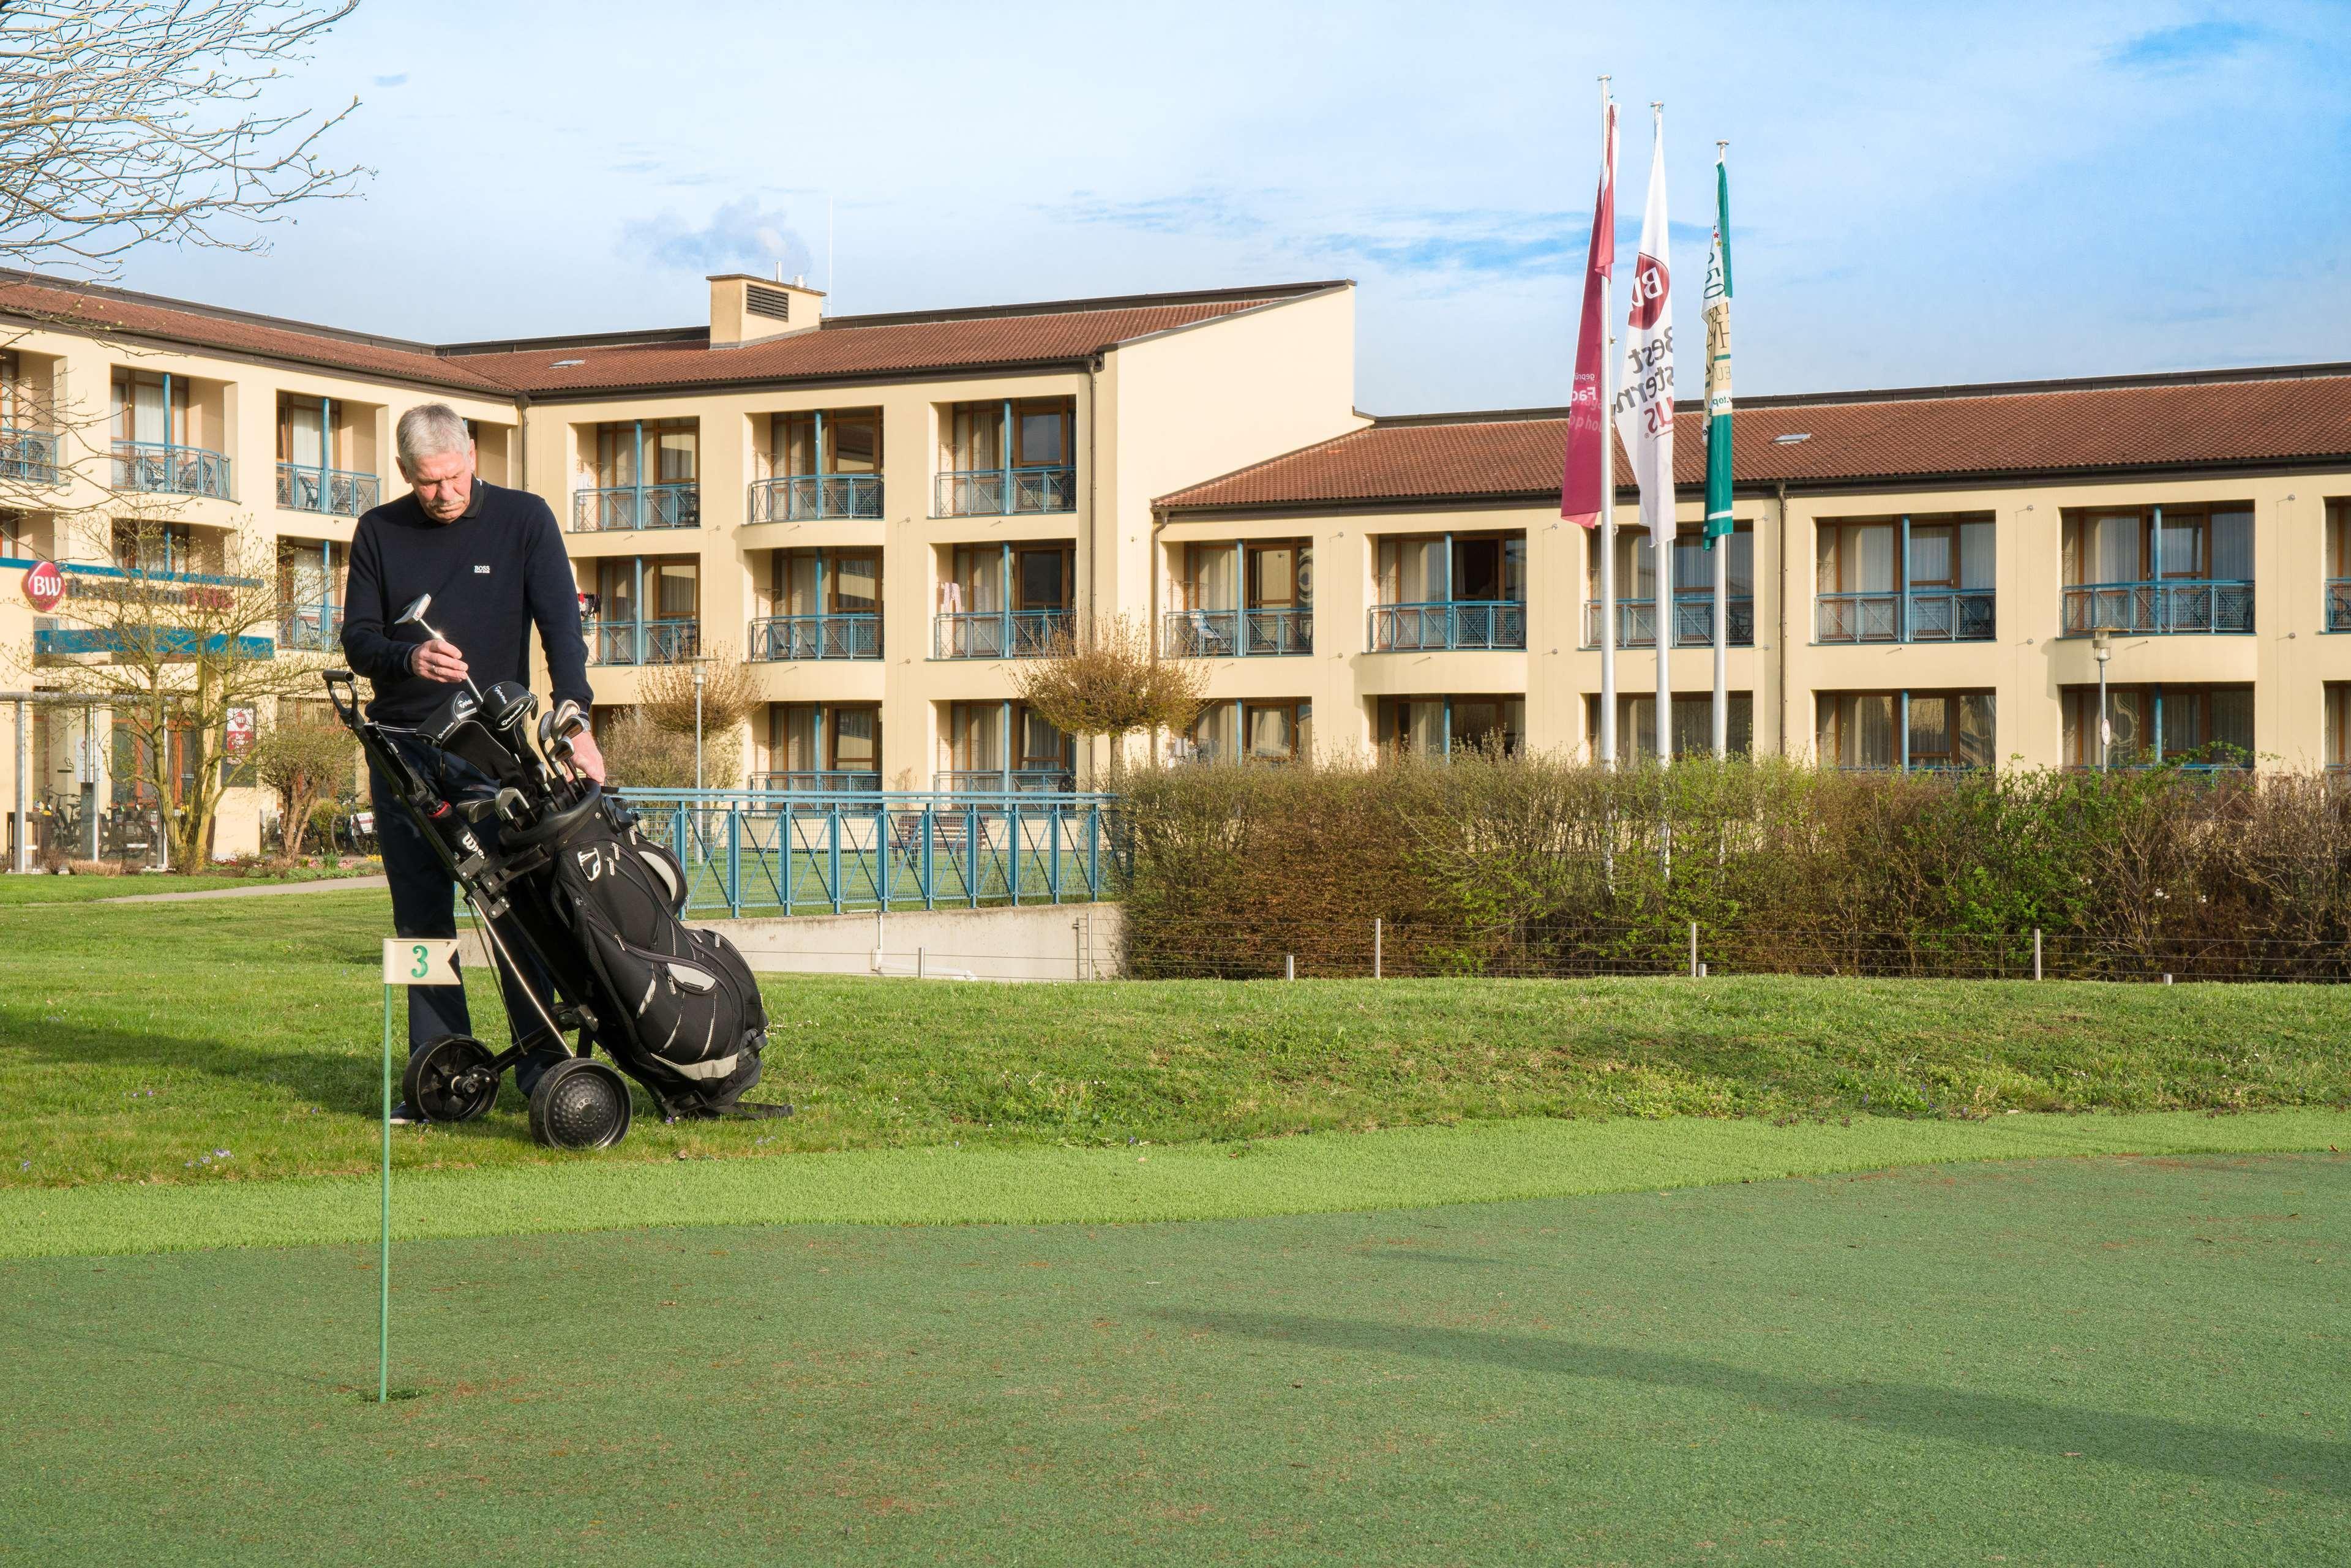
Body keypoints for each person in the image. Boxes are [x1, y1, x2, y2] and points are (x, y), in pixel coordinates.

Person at [340, 403, 605, 1122]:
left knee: (518, 910)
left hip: (492, 756)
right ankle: (443, 1075)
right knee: (423, 920)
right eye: (428, 483)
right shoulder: (379, 532)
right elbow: (357, 640)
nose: (445, 493)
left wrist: (575, 714)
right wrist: (408, 655)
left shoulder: (525, 520)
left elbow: (561, 627)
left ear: (473, 455)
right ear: (404, 472)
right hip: (403, 755)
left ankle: (545, 1067)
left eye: (454, 476)